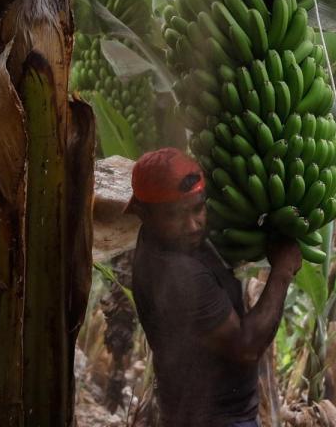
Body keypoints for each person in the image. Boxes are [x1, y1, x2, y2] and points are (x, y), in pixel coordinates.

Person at [127, 148, 302, 427]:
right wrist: (282, 270)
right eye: (174, 215)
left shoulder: (164, 238)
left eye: (198, 207)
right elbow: (246, 347)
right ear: (142, 212)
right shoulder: (177, 274)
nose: (193, 224)